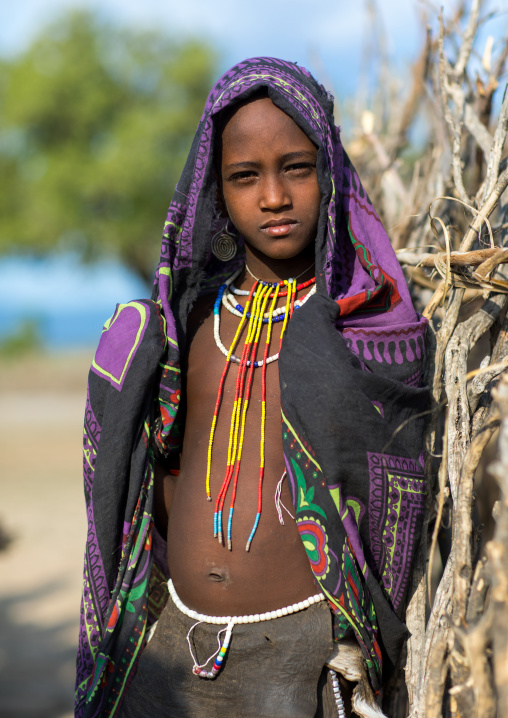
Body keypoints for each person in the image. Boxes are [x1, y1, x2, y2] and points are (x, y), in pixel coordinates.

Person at [76, 57, 428, 718]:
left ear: (331, 173)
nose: (273, 197)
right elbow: (157, 477)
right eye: (245, 177)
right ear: (215, 190)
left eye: (297, 168)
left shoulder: (367, 328)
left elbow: (392, 497)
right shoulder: (187, 330)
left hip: (301, 654)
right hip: (175, 647)